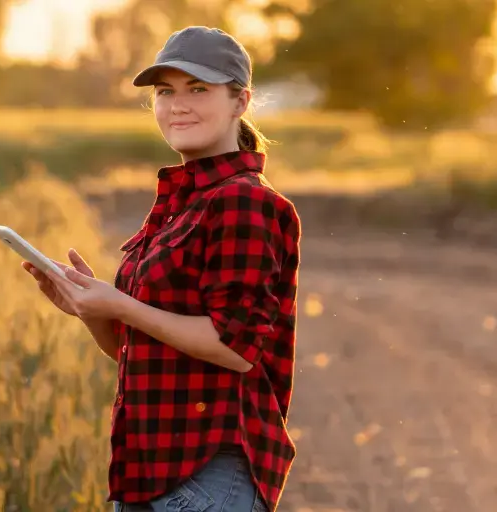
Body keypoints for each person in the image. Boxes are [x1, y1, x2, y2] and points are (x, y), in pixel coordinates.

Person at [22, 26, 301, 512]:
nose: (178, 105)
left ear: (241, 101)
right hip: (149, 470)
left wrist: (123, 306)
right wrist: (92, 310)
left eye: (198, 89)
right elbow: (140, 352)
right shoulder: (181, 203)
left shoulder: (243, 200)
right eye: (165, 92)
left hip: (208, 473)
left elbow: (236, 349)